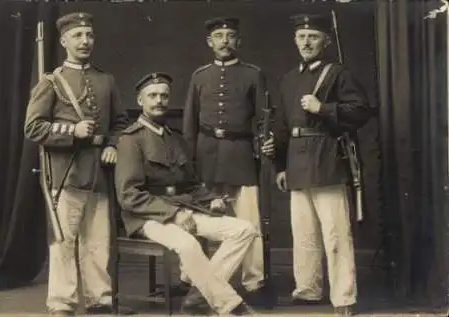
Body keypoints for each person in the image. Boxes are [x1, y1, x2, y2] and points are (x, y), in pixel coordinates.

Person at [115, 72, 257, 316]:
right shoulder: (131, 140)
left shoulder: (175, 139)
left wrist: (211, 200)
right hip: (147, 217)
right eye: (152, 96)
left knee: (244, 230)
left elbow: (191, 185)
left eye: (164, 96)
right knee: (188, 244)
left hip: (183, 208)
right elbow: (129, 196)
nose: (159, 100)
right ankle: (230, 305)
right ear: (140, 101)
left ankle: (200, 297)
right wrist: (175, 213)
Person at [261, 13, 372, 317]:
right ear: (295, 40)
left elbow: (361, 112)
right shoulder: (288, 79)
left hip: (326, 159)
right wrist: (280, 166)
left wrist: (323, 108)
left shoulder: (338, 74)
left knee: (336, 233)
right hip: (296, 162)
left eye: (313, 36)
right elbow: (282, 127)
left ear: (325, 41)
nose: (306, 42)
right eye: (301, 36)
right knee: (304, 232)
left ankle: (344, 296)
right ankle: (308, 290)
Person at [24, 12, 133, 316]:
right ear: (63, 41)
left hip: (99, 174)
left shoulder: (106, 80)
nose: (85, 41)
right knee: (63, 242)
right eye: (77, 36)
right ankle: (62, 304)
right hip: (66, 174)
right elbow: (33, 128)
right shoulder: (52, 82)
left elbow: (121, 123)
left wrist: (112, 144)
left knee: (99, 243)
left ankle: (100, 299)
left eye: (89, 35)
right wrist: (72, 131)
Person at [182, 17, 267, 304]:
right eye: (219, 36)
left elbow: (263, 118)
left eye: (230, 35)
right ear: (210, 42)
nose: (225, 41)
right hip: (205, 153)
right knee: (200, 217)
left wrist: (262, 144)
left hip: (240, 152)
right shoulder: (200, 76)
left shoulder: (253, 75)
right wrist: (188, 160)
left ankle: (253, 282)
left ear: (238, 41)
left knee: (247, 219)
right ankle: (193, 277)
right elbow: (189, 122)